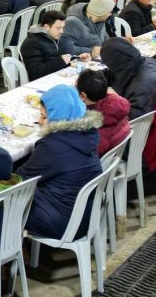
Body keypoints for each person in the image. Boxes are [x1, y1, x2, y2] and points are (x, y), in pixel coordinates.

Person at [16, 84, 103, 239]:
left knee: (0, 204)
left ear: (58, 117)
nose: (39, 121)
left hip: (61, 222)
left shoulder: (53, 146)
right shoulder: (88, 135)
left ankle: (5, 255)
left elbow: (20, 180)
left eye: (44, 116)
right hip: (86, 215)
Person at [99, 38, 156, 171]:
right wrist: (95, 79)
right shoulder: (144, 62)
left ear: (116, 63)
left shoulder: (144, 84)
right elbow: (114, 75)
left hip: (145, 143)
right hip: (155, 127)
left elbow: (131, 120)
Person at [75, 69, 132, 155]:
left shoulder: (93, 128)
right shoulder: (117, 106)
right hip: (114, 155)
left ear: (83, 96)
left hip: (99, 163)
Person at [21, 10, 89, 80]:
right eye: (58, 28)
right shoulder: (32, 43)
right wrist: (60, 61)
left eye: (63, 27)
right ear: (46, 27)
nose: (62, 31)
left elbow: (55, 59)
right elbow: (35, 72)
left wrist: (77, 58)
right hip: (42, 82)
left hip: (55, 76)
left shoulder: (52, 37)